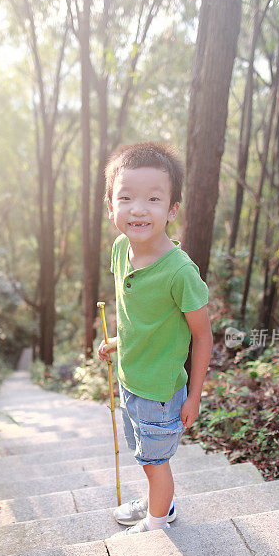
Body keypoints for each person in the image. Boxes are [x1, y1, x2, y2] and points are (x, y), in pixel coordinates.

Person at [97, 141, 213, 535]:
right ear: (111, 205)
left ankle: (158, 523)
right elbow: (138, 316)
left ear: (172, 209)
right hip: (131, 378)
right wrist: (117, 343)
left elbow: (203, 336)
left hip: (160, 391)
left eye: (153, 198)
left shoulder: (180, 273)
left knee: (154, 462)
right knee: (145, 455)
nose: (138, 208)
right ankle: (157, 500)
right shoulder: (120, 249)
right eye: (126, 197)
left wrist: (194, 395)